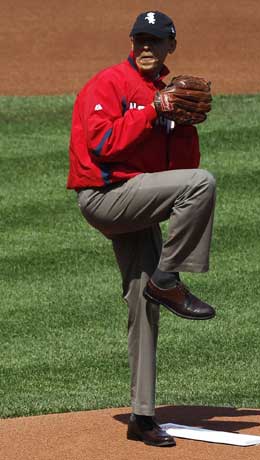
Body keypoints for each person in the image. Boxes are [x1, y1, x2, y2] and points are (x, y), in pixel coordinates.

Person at [67, 10, 216, 447]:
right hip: (105, 197)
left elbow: (178, 171)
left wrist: (180, 123)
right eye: (140, 40)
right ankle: (169, 279)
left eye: (156, 41)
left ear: (171, 46)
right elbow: (101, 143)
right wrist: (151, 110)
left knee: (142, 301)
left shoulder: (170, 93)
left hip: (139, 203)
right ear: (132, 44)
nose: (147, 47)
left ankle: (142, 416)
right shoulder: (109, 84)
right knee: (203, 182)